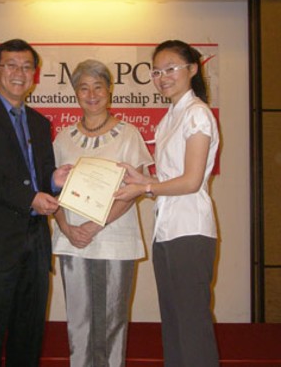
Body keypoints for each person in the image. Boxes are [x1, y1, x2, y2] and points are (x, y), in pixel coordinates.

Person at [0, 38, 72, 367]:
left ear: (35, 74)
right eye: (11, 66)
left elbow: (42, 175)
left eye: (26, 67)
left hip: (34, 243)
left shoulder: (39, 122)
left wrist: (54, 181)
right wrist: (30, 197)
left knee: (28, 335)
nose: (19, 73)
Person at [114, 40, 221, 367]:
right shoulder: (169, 118)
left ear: (192, 69)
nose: (162, 77)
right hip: (167, 230)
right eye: (156, 71)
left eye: (170, 68)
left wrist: (145, 186)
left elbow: (190, 181)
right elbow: (169, 178)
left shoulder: (197, 114)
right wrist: (141, 178)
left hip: (190, 231)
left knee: (192, 325)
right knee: (173, 324)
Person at [51, 59, 153, 367]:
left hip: (113, 237)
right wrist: (67, 228)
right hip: (72, 239)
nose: (91, 94)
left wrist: (96, 224)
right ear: (75, 93)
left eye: (98, 86)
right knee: (79, 320)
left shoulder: (128, 134)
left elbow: (135, 189)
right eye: (84, 87)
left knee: (111, 320)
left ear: (109, 90)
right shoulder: (63, 138)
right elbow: (53, 189)